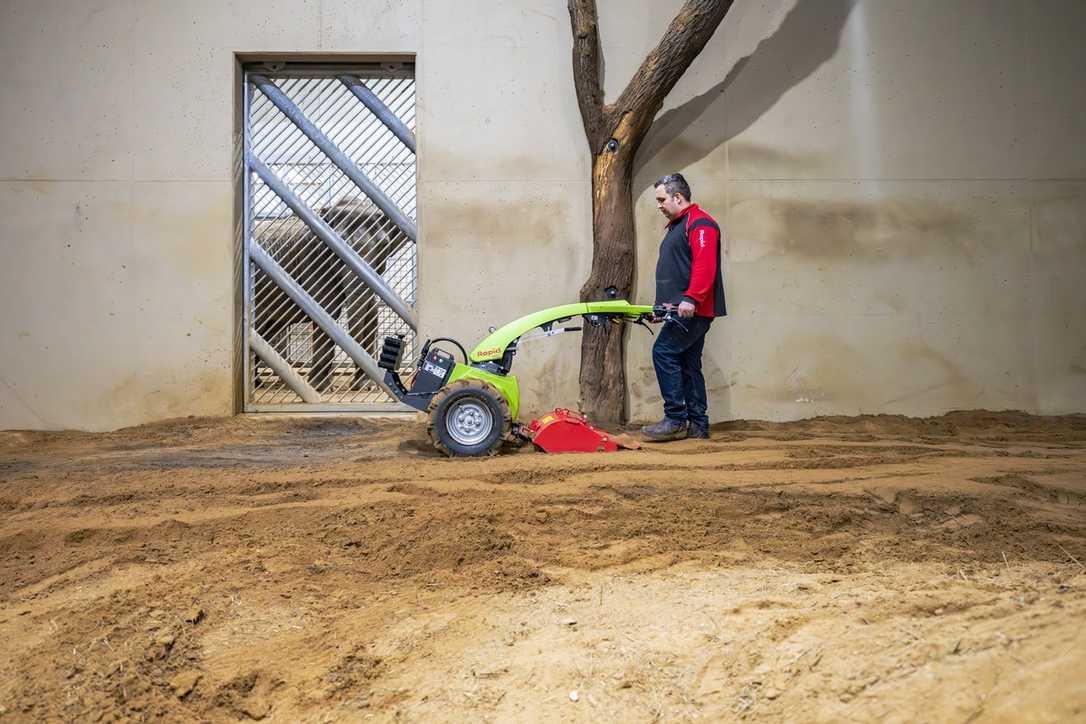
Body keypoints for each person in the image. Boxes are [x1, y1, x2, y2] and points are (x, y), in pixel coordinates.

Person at [641, 173, 726, 441]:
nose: (659, 205)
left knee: (663, 352)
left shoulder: (701, 225)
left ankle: (675, 418)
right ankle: (698, 426)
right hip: (680, 308)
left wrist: (692, 298)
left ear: (678, 197)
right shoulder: (679, 225)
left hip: (692, 309)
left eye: (661, 199)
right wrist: (661, 308)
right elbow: (676, 270)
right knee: (689, 364)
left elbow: (704, 265)